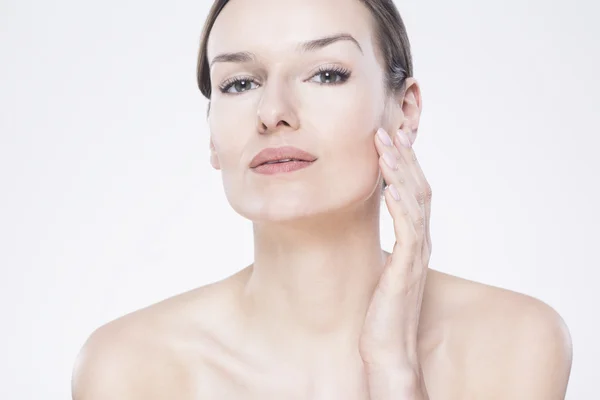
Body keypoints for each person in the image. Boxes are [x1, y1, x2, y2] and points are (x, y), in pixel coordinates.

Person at [71, 0, 573, 398]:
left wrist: (394, 369)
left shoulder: (513, 342)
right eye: (239, 83)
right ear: (211, 135)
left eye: (326, 74)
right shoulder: (129, 368)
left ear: (405, 110)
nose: (273, 112)